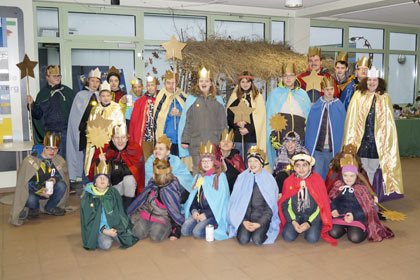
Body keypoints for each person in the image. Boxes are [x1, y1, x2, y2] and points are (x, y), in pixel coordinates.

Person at [342, 66, 403, 197]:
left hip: (376, 142)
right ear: (366, 81)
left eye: (374, 80)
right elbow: (352, 120)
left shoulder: (385, 98)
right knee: (360, 168)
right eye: (369, 80)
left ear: (379, 81)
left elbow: (389, 124)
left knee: (373, 169)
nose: (372, 82)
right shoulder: (358, 96)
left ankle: (369, 196)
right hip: (362, 140)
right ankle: (359, 195)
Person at [9, 132, 69, 226]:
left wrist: (55, 179)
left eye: (55, 149)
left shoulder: (58, 160)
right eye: (48, 148)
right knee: (30, 199)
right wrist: (40, 190)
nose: (52, 151)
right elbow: (25, 183)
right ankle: (34, 209)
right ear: (43, 147)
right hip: (34, 192)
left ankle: (49, 207)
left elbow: (62, 176)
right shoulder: (30, 161)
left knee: (62, 186)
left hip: (50, 191)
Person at [328, 159, 394, 243]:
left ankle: (362, 229)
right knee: (333, 233)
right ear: (342, 175)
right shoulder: (338, 185)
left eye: (351, 176)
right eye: (345, 175)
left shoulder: (361, 188)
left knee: (355, 238)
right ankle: (345, 228)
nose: (348, 179)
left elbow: (368, 209)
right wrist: (333, 209)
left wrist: (354, 215)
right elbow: (329, 200)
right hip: (341, 217)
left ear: (356, 175)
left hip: (357, 218)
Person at [278, 152, 337, 245]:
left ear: (310, 167)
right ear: (294, 167)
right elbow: (285, 205)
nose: (301, 169)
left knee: (312, 238)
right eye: (298, 166)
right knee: (287, 237)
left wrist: (309, 223)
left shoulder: (318, 181)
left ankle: (312, 227)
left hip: (312, 216)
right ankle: (298, 226)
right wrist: (293, 221)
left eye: (304, 165)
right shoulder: (288, 182)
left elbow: (322, 206)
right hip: (295, 215)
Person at [80, 159, 138, 250]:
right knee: (106, 244)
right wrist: (104, 230)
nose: (102, 179)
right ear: (95, 182)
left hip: (114, 226)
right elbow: (89, 220)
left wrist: (117, 227)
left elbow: (119, 212)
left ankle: (113, 234)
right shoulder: (89, 197)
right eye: (99, 177)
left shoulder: (113, 193)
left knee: (128, 238)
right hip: (99, 229)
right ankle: (101, 237)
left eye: (105, 178)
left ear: (108, 183)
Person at [227, 146, 280, 245]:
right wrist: (243, 221)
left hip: (261, 218)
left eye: (255, 161)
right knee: (243, 240)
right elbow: (235, 203)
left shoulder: (269, 180)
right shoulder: (241, 177)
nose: (252, 164)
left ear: (261, 163)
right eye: (250, 161)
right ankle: (244, 228)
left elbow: (270, 208)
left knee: (257, 240)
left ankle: (261, 230)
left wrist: (259, 224)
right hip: (244, 218)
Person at [179, 67, 227, 173]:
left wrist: (223, 140)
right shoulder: (192, 100)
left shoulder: (217, 101)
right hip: (196, 144)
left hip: (213, 143)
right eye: (201, 81)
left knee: (214, 170)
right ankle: (198, 190)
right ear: (198, 83)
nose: (203, 83)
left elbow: (223, 123)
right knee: (197, 170)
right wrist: (185, 140)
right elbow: (188, 122)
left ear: (211, 83)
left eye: (206, 81)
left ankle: (212, 190)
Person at [89, 123, 145, 210]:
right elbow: (94, 175)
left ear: (127, 138)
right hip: (112, 187)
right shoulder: (104, 150)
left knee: (129, 179)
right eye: (117, 137)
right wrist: (100, 163)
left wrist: (116, 169)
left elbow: (137, 172)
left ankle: (128, 210)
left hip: (129, 189)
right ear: (112, 138)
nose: (120, 141)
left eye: (123, 137)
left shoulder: (135, 149)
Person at [181, 141, 230, 240]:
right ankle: (200, 221)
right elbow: (194, 197)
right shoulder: (199, 177)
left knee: (197, 233)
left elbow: (220, 203)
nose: (206, 163)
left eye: (209, 161)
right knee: (185, 230)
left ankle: (214, 223)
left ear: (214, 162)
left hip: (213, 213)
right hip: (199, 211)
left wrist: (206, 215)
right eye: (203, 161)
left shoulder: (219, 177)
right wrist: (194, 211)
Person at [266, 62, 311, 169]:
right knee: (282, 170)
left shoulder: (303, 94)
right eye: (285, 76)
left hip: (299, 141)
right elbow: (269, 118)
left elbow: (309, 119)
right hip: (282, 140)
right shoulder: (275, 94)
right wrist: (273, 136)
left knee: (298, 169)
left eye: (291, 75)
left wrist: (305, 135)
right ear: (282, 78)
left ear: (295, 77)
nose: (288, 78)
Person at [127, 159, 184, 241]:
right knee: (137, 233)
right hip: (147, 213)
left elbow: (174, 211)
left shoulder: (169, 190)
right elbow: (142, 200)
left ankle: (166, 226)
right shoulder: (152, 183)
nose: (152, 175)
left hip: (162, 217)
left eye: (154, 173)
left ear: (158, 176)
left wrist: (175, 230)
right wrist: (134, 212)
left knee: (156, 237)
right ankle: (145, 224)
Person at [27, 65, 75, 158]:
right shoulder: (43, 93)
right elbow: (38, 115)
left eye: (59, 76)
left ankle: (63, 173)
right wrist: (31, 104)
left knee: (65, 159)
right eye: (54, 76)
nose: (57, 78)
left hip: (66, 131)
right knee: (52, 158)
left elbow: (75, 111)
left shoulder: (67, 91)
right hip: (50, 132)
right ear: (47, 78)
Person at [305, 76, 346, 180]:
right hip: (318, 150)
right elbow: (310, 130)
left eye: (331, 89)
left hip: (333, 151)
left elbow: (342, 129)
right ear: (322, 90)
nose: (329, 92)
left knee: (331, 178)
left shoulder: (339, 106)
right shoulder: (316, 106)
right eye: (327, 89)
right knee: (317, 178)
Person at [84, 81, 125, 178]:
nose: (106, 98)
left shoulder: (116, 108)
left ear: (111, 96)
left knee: (111, 163)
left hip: (111, 142)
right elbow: (90, 125)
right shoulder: (95, 109)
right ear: (99, 97)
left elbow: (121, 125)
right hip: (97, 142)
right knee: (98, 162)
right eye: (103, 96)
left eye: (108, 95)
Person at [66, 67, 101, 183]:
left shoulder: (102, 95)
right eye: (92, 81)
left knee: (97, 160)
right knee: (86, 159)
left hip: (99, 135)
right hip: (85, 134)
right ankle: (86, 185)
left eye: (97, 81)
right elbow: (76, 117)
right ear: (87, 81)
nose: (95, 84)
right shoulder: (80, 95)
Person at [226, 71, 267, 158]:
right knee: (237, 163)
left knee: (251, 161)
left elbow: (260, 118)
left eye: (248, 81)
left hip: (252, 137)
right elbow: (229, 116)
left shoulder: (257, 97)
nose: (245, 84)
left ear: (251, 83)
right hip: (237, 137)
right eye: (243, 82)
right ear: (239, 83)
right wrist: (237, 124)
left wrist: (248, 129)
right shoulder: (234, 97)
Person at [144, 134, 193, 200]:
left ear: (168, 152)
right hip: (157, 191)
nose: (157, 151)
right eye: (155, 149)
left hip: (175, 191)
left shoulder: (175, 160)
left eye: (161, 149)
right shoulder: (151, 160)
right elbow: (148, 177)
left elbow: (184, 178)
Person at [153, 70, 188, 156]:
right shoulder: (162, 96)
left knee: (177, 165)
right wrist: (169, 115)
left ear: (177, 83)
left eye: (173, 83)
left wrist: (180, 114)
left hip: (179, 139)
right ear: (164, 84)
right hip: (166, 139)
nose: (171, 86)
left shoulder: (182, 96)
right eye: (168, 83)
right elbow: (157, 118)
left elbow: (190, 115)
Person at [129, 76, 158, 161]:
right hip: (145, 137)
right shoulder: (140, 101)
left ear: (156, 86)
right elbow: (134, 121)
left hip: (157, 136)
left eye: (152, 85)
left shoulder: (161, 100)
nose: (150, 87)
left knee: (158, 161)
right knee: (146, 161)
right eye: (148, 85)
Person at [272, 131, 308, 197]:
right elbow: (275, 172)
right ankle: (281, 198)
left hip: (299, 181)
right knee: (281, 175)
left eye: (293, 142)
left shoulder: (303, 153)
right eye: (288, 142)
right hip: (284, 183)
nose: (290, 145)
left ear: (296, 143)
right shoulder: (281, 153)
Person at [215, 128, 246, 193]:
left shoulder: (237, 158)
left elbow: (243, 176)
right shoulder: (214, 157)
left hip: (233, 190)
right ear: (219, 144)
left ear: (233, 145)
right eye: (223, 141)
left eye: (229, 142)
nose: (226, 143)